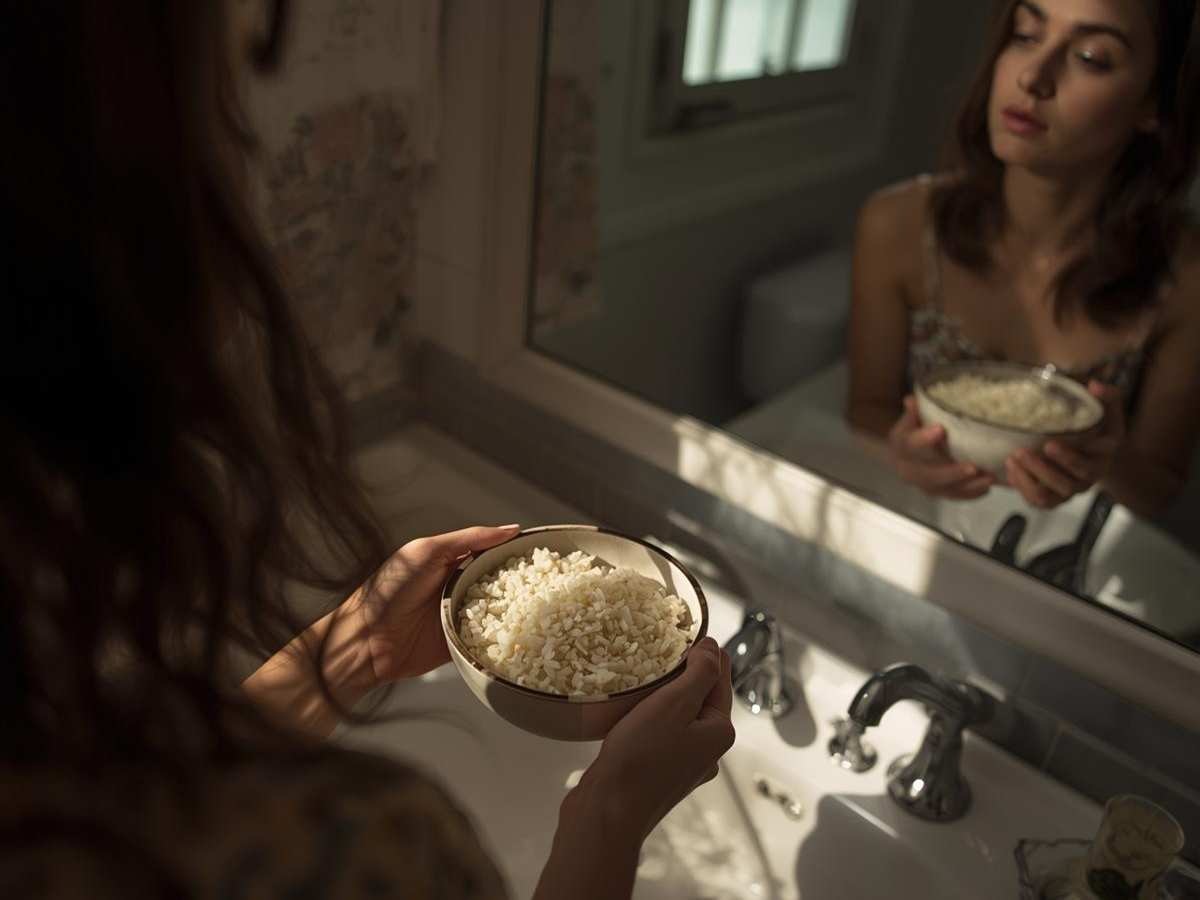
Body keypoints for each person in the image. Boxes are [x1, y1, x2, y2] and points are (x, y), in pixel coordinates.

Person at [0, 3, 734, 898]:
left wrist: (356, 652)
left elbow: (148, 798)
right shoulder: (363, 842)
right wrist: (608, 814)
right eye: (222, 124)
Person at [847, 0, 1200, 516]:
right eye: (1026, 34)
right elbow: (867, 410)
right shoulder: (895, 226)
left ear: (1154, 103)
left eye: (1091, 56)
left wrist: (1105, 460)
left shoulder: (1185, 277)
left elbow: (1159, 486)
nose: (1033, 77)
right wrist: (902, 452)